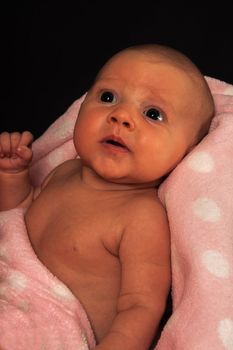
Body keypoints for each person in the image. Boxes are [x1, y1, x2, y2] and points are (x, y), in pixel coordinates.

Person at [0, 44, 214, 350]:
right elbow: (16, 223)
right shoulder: (64, 173)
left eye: (153, 114)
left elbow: (140, 307)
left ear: (187, 152)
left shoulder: (141, 216)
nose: (121, 116)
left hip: (49, 326)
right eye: (107, 97)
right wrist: (12, 177)